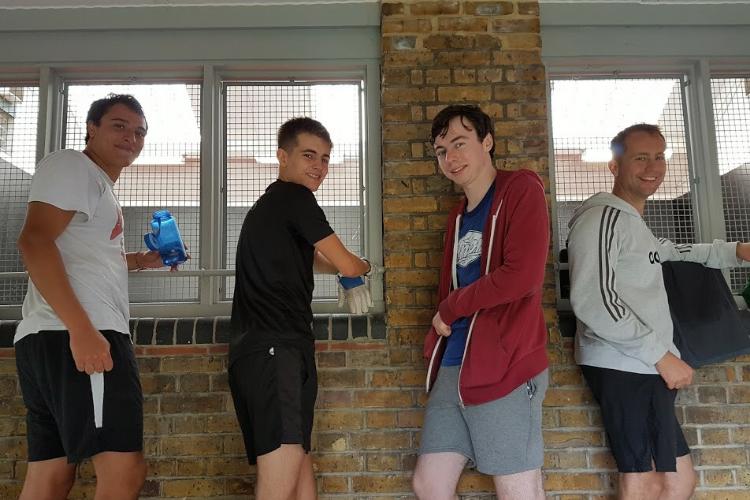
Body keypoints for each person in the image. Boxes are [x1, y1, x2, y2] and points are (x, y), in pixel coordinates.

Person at [567, 123, 750, 499]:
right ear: (614, 166)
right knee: (647, 480)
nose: (652, 167)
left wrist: (736, 250)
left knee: (675, 481)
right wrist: (661, 356)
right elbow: (593, 299)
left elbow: (676, 252)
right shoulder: (601, 218)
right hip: (626, 365)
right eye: (640, 157)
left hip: (642, 365)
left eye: (659, 156)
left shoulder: (634, 225)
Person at [14, 94, 169, 500]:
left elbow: (81, 255)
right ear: (91, 129)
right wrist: (82, 331)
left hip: (50, 337)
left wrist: (139, 260)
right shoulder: (72, 165)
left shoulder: (98, 184)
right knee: (124, 471)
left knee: (51, 475)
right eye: (119, 126)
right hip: (80, 334)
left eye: (140, 132)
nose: (131, 137)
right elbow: (34, 241)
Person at [229, 117, 371, 500]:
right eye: (309, 155)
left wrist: (344, 268)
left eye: (325, 158)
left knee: (299, 474)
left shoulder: (273, 206)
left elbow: (317, 260)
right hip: (275, 351)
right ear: (282, 156)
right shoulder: (295, 198)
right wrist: (365, 268)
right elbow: (346, 263)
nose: (319, 166)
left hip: (270, 352)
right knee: (282, 474)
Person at [412, 105, 550, 500]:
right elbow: (452, 288)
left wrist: (451, 308)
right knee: (429, 484)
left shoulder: (520, 189)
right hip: (454, 365)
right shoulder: (458, 216)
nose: (450, 158)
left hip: (504, 364)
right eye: (441, 151)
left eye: (460, 143)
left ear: (487, 141)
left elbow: (522, 276)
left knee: (517, 489)